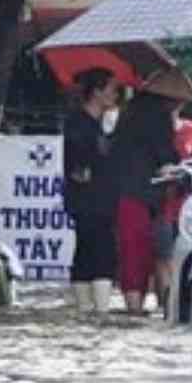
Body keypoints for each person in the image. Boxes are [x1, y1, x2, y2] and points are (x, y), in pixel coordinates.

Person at [108, 89, 180, 317]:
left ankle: (134, 309)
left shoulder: (127, 113)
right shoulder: (160, 117)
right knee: (163, 257)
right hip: (153, 197)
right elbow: (167, 157)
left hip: (127, 194)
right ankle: (163, 309)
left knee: (132, 255)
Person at [62, 68, 120, 315]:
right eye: (112, 89)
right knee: (98, 250)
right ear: (97, 92)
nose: (116, 95)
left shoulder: (102, 124)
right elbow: (79, 165)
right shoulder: (78, 123)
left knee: (89, 249)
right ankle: (96, 309)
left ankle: (89, 309)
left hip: (103, 197)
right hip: (87, 200)